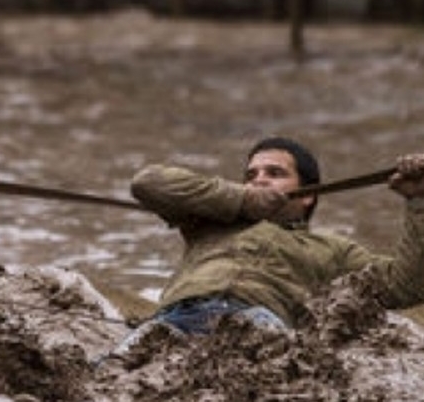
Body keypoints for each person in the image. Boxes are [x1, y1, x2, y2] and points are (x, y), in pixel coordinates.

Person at [127, 136, 424, 335]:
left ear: (309, 194)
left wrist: (419, 200)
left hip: (258, 324)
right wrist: (243, 200)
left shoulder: (334, 251)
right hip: (173, 319)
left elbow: (404, 286)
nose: (259, 180)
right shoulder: (209, 221)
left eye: (275, 173)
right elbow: (148, 183)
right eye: (251, 175)